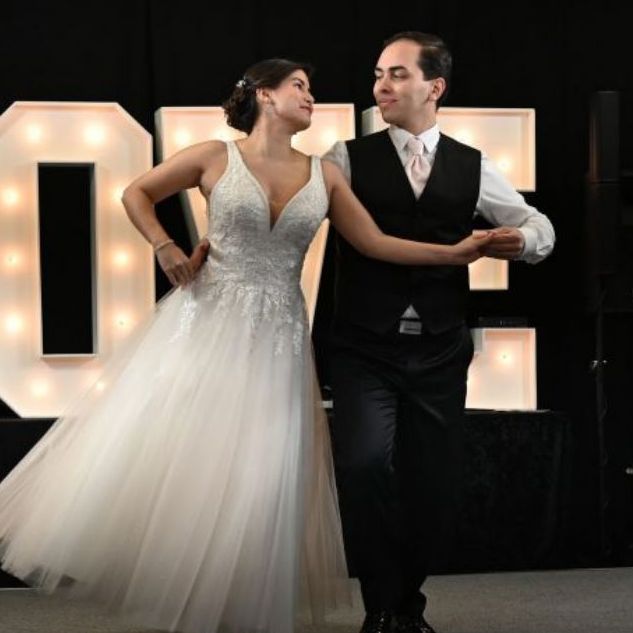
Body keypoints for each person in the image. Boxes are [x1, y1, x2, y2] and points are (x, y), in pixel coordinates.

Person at [0, 58, 489, 633]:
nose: (310, 96)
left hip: (281, 337)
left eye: (311, 88)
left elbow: (376, 243)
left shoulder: (325, 174)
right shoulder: (214, 156)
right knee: (196, 461)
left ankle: (244, 607)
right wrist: (165, 247)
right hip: (208, 326)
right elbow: (137, 193)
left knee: (265, 469)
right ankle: (192, 596)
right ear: (264, 95)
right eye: (299, 86)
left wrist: (457, 253)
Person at [323, 32, 556, 633]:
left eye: (398, 74)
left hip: (440, 349)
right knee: (365, 468)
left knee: (433, 485)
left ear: (435, 87)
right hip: (363, 346)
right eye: (378, 74)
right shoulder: (344, 157)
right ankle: (381, 608)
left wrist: (520, 241)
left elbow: (539, 226)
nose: (381, 85)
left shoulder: (473, 165)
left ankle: (406, 604)